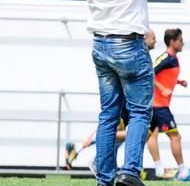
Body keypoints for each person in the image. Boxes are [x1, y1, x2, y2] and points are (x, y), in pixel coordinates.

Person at [81, 0, 174, 186]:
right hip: (128, 46)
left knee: (108, 114)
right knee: (139, 113)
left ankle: (104, 180)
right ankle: (130, 172)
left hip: (100, 45)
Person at [64, 31, 158, 175]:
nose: (155, 41)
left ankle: (103, 166)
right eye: (153, 38)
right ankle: (83, 151)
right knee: (120, 131)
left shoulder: (141, 56)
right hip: (126, 105)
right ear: (143, 38)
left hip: (129, 105)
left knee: (124, 133)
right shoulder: (132, 54)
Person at [147, 28, 190, 181]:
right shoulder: (166, 57)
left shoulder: (172, 59)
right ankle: (183, 171)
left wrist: (178, 82)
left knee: (151, 135)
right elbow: (149, 73)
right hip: (159, 106)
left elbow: (164, 75)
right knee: (175, 136)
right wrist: (162, 88)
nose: (183, 43)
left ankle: (159, 168)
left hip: (157, 104)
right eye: (180, 40)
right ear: (172, 42)